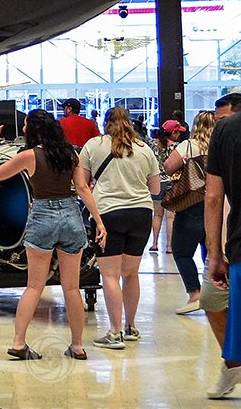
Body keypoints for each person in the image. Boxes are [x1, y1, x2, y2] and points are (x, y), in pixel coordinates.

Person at [0, 110, 107, 359]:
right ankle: (77, 347)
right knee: (72, 288)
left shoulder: (29, 156)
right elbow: (83, 188)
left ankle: (19, 343)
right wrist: (99, 221)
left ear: (34, 129)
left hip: (42, 216)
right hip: (71, 215)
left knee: (34, 286)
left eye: (26, 124)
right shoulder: (70, 155)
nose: (24, 128)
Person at [79, 106, 160, 349]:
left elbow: (82, 184)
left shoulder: (93, 145)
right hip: (141, 214)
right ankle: (131, 327)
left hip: (108, 215)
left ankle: (114, 333)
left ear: (105, 123)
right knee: (130, 273)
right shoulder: (145, 149)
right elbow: (155, 189)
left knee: (110, 275)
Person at [204, 93, 241, 397]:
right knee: (213, 300)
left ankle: (231, 365)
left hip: (237, 242)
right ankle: (231, 365)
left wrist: (214, 252)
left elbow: (213, 196)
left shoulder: (226, 132)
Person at [162, 111, 214, 314]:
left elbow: (167, 168)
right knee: (211, 252)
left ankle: (195, 293)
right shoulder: (223, 146)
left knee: (182, 251)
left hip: (192, 203)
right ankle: (216, 295)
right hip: (218, 205)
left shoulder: (189, 146)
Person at [150, 119, 187, 253]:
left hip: (156, 182)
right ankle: (170, 246)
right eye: (177, 132)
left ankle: (154, 244)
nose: (179, 135)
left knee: (157, 215)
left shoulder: (152, 144)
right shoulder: (177, 147)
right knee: (171, 217)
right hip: (172, 182)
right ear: (173, 133)